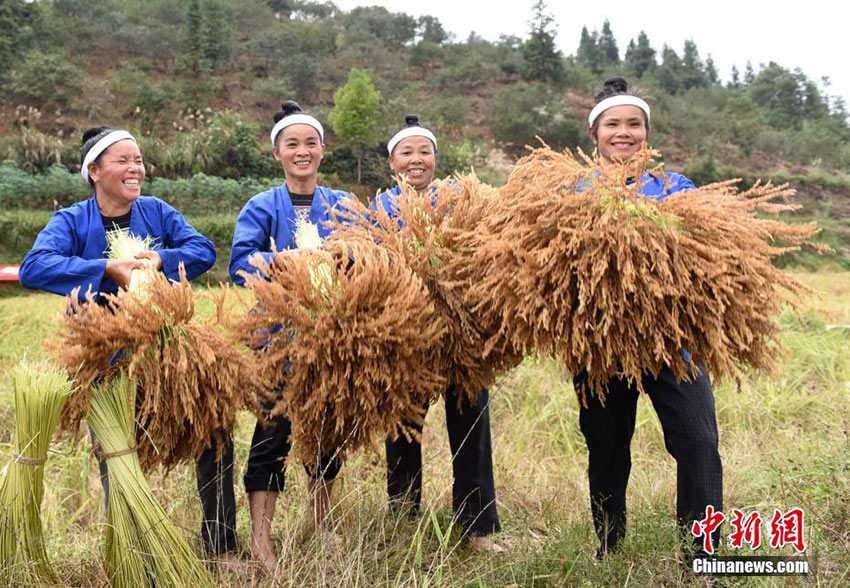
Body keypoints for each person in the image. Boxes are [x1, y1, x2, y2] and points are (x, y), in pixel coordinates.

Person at [18, 126, 238, 561]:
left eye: (138, 160)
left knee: (214, 434)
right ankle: (132, 552)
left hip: (169, 352)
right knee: (117, 454)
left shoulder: (155, 212)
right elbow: (34, 267)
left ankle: (221, 544)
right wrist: (105, 269)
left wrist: (160, 259)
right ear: (94, 171)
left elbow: (203, 248)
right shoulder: (71, 221)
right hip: (107, 361)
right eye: (123, 160)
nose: (135, 168)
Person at [577, 77, 724, 559]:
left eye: (634, 124)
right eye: (613, 124)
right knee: (607, 447)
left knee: (700, 444)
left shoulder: (675, 187)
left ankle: (702, 557)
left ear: (647, 133)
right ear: (595, 133)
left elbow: (708, 248)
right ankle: (609, 546)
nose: (624, 132)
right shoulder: (572, 191)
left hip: (674, 342)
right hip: (601, 345)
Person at [229, 101, 352, 570]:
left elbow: (371, 257)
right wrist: (287, 263)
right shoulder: (261, 207)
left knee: (327, 432)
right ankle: (262, 539)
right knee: (272, 434)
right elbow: (241, 266)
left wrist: (342, 255)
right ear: (278, 152)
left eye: (310, 143)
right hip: (276, 339)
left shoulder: (342, 204)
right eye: (292, 144)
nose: (302, 151)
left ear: (323, 150)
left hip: (332, 339)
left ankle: (321, 526)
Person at [373, 114, 504, 554]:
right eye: (406, 153)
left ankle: (476, 526)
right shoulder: (379, 208)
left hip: (461, 334)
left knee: (471, 425)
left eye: (424, 152)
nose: (416, 160)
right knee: (403, 428)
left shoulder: (459, 202)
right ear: (392, 162)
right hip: (407, 331)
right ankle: (404, 517)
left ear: (435, 158)